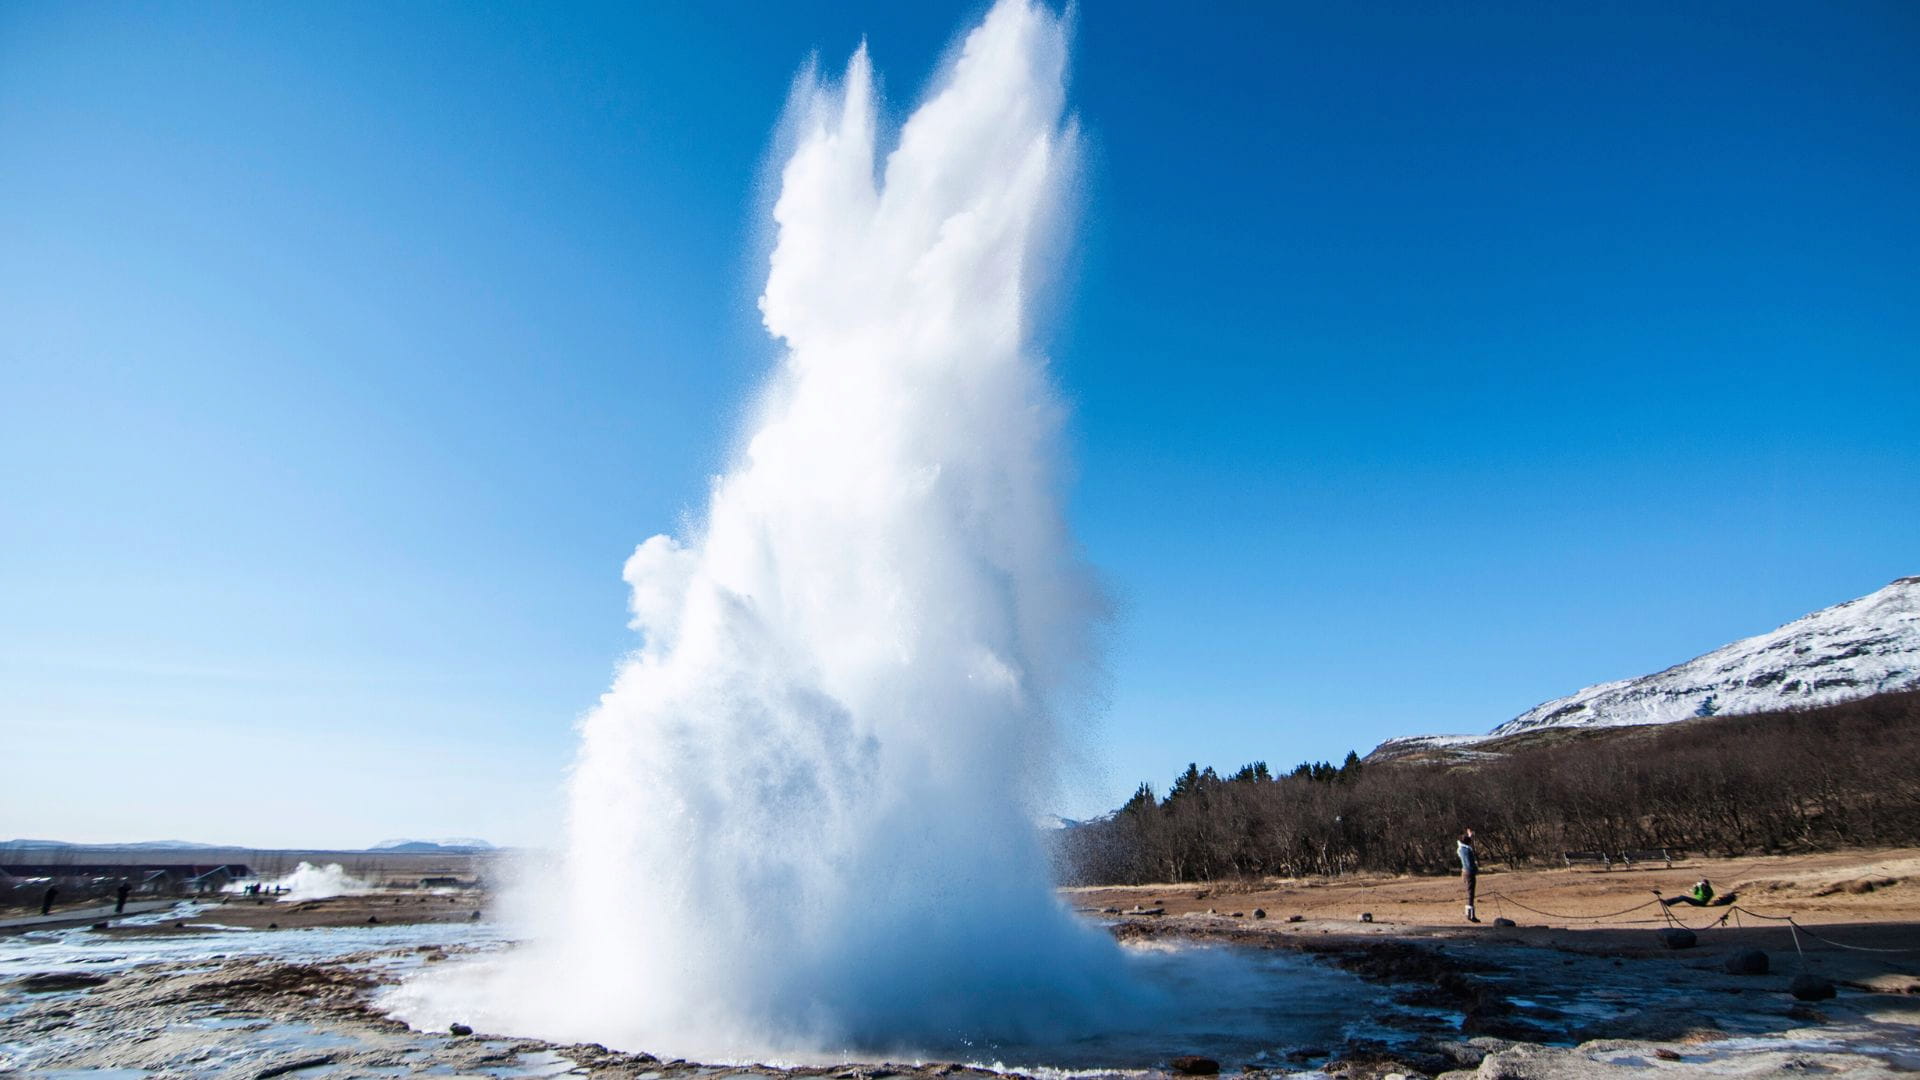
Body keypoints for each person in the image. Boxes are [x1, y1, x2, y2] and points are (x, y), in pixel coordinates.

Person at [1458, 828, 1479, 923]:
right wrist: (1474, 870)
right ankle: (1470, 915)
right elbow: (1468, 864)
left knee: (1470, 894)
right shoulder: (1465, 851)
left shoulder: (1462, 848)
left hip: (1465, 872)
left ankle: (1470, 914)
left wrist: (1470, 835)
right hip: (1469, 873)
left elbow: (1466, 843)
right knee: (1470, 894)